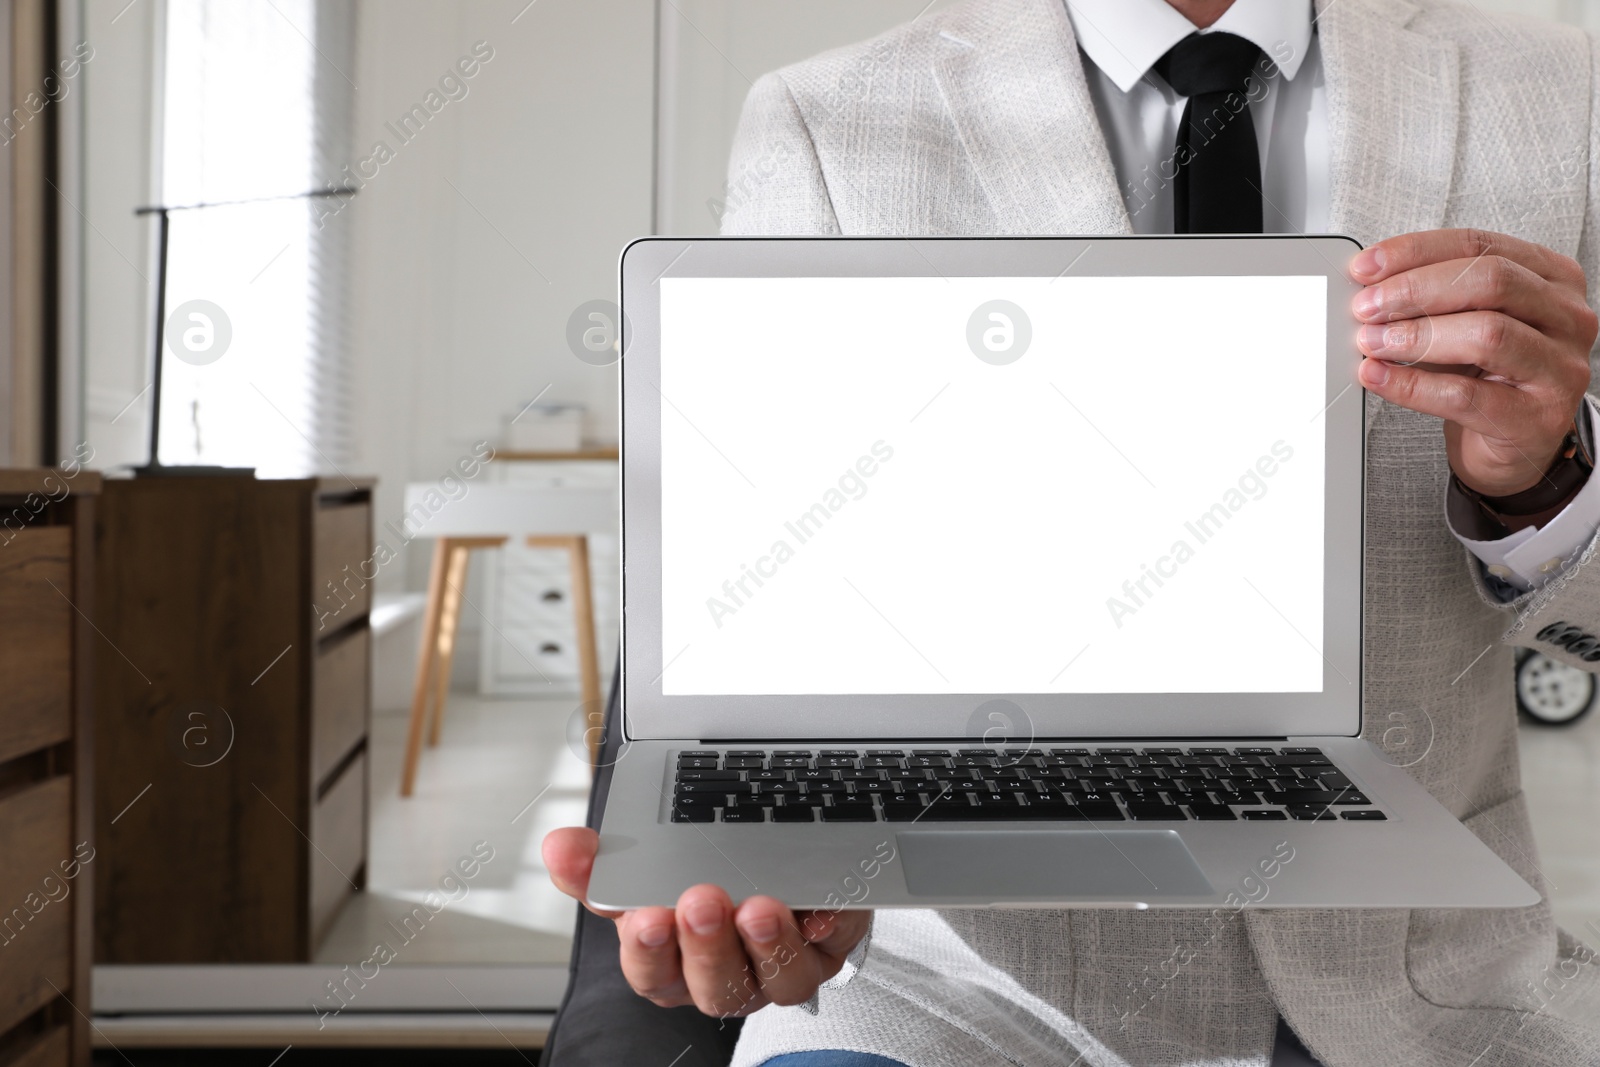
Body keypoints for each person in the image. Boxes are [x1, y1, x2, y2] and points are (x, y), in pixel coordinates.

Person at [544, 0, 1600, 1062]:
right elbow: (779, 608)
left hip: (1443, 992)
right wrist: (809, 878)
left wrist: (1540, 479)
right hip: (953, 995)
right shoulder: (828, 119)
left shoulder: (1565, 91)